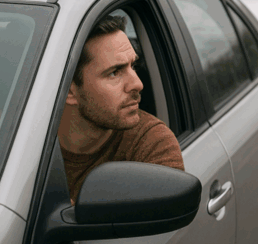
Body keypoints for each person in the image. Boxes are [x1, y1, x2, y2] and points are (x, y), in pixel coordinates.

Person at [57, 15, 184, 203]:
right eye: (115, 72)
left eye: (133, 66)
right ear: (69, 91)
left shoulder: (152, 144)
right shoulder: (11, 139)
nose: (138, 84)